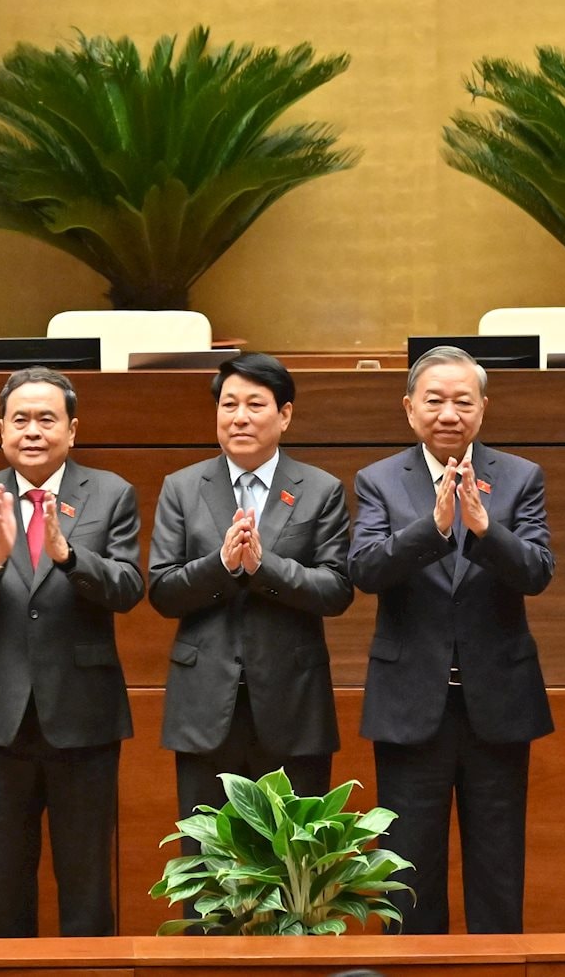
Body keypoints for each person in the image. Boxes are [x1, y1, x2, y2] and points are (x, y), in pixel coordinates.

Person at [352, 344, 554, 936]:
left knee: (498, 867)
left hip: (498, 702)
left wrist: (486, 529)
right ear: (410, 408)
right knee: (408, 871)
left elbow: (538, 571)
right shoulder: (379, 480)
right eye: (434, 400)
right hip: (410, 704)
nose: (449, 413)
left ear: (483, 409)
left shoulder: (520, 477)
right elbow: (364, 570)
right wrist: (435, 528)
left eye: (463, 401)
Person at [0, 365, 144, 937]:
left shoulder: (110, 492)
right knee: (3, 881)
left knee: (86, 881)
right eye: (20, 419)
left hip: (84, 714)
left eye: (46, 419)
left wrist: (69, 555)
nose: (33, 430)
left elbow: (129, 589)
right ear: (1, 429)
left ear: (72, 430)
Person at [149, 352, 353, 828]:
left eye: (254, 405)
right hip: (203, 707)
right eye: (228, 404)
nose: (239, 417)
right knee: (207, 870)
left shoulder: (319, 489)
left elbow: (337, 589)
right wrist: (221, 566)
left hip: (294, 706)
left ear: (284, 415)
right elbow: (161, 589)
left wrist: (265, 568)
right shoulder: (181, 488)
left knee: (292, 868)